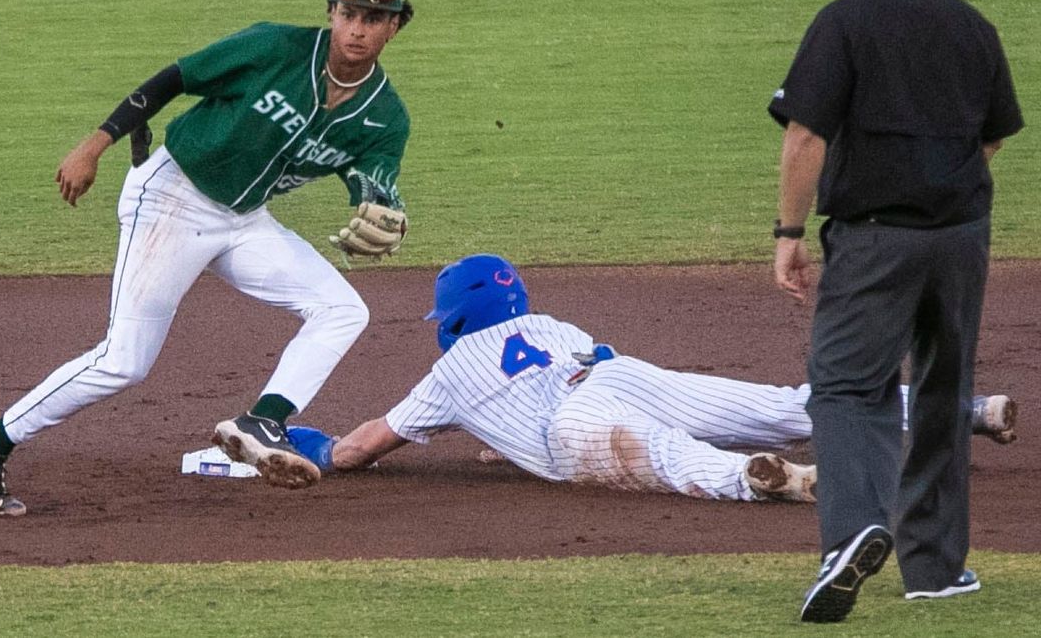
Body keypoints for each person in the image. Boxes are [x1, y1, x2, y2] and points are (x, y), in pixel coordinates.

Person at [0, 0, 416, 516]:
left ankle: (262, 420)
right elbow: (175, 78)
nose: (357, 28)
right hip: (171, 198)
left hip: (243, 221)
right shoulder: (274, 48)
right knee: (124, 361)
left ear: (394, 25)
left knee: (343, 308)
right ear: (332, 13)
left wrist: (388, 211)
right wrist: (96, 144)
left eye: (373, 17)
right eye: (348, 13)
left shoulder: (385, 116)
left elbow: (375, 184)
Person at [281, 255, 1018, 503]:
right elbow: (560, 383)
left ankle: (771, 482)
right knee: (786, 405)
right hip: (619, 373)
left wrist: (317, 445)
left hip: (570, 426)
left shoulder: (448, 373)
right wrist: (495, 440)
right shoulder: (552, 326)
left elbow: (361, 448)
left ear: (455, 318)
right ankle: (966, 408)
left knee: (666, 459)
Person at [768, 0, 1024, 623]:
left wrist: (788, 233)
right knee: (946, 387)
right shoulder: (972, 24)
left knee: (848, 383)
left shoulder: (845, 20)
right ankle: (936, 569)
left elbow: (803, 137)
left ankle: (851, 530)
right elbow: (993, 136)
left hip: (877, 237)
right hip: (962, 234)